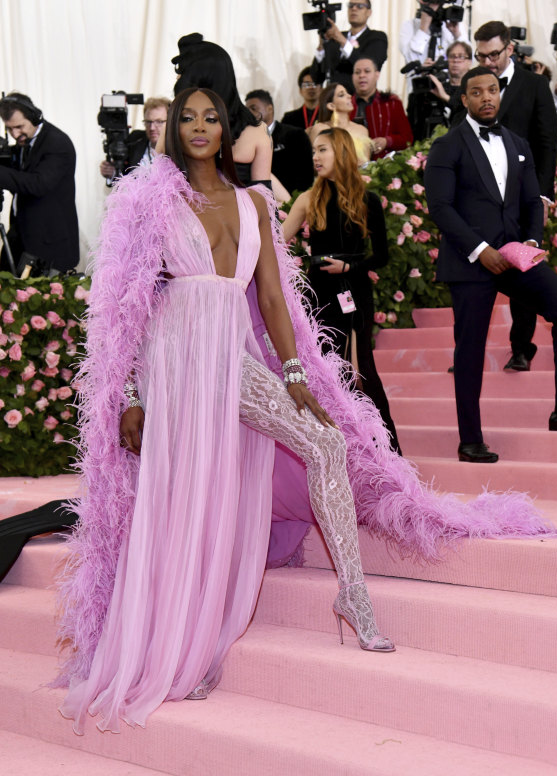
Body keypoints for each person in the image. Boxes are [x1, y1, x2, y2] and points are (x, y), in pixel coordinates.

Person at [56, 87, 394, 735]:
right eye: (189, 118)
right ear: (174, 130)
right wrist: (129, 396)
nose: (201, 127)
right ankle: (181, 640)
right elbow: (124, 307)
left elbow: (270, 298)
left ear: (230, 128)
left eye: (212, 117)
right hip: (172, 371)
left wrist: (295, 374)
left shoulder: (254, 203)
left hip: (232, 364)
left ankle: (354, 596)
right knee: (185, 502)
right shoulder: (151, 204)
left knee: (324, 444)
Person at [425, 67, 557, 464]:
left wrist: (530, 242)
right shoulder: (448, 146)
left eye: (492, 90)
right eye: (476, 92)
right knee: (470, 349)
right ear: (464, 100)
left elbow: (533, 201)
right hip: (470, 261)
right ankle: (470, 440)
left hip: (514, 255)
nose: (486, 97)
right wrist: (480, 249)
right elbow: (440, 208)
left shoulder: (518, 143)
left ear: (500, 93)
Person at [283, 127, 402, 455]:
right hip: (318, 292)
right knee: (326, 368)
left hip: (354, 289)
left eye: (322, 150)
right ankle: (341, 449)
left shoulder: (368, 199)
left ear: (341, 152)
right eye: (314, 151)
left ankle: (386, 450)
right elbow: (278, 242)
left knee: (362, 366)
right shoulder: (309, 198)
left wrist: (349, 267)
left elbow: (382, 255)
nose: (315, 157)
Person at [474, 21, 557, 373]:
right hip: (483, 196)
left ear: (510, 48)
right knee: (477, 270)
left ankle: (522, 347)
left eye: (494, 53)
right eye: (481, 55)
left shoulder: (535, 84)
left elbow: (547, 142)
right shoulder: (473, 86)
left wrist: (543, 194)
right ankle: (470, 352)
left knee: (522, 265)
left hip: (524, 195)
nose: (488, 61)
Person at [171, 34, 272, 188]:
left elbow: (264, 199)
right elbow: (159, 189)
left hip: (243, 211)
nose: (178, 79)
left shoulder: (258, 131)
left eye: (182, 73)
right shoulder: (258, 131)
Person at [0, 92, 78, 275]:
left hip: (49, 246)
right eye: (9, 129)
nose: (15, 134)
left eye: (19, 127)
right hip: (21, 239)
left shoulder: (57, 143)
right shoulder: (25, 141)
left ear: (34, 117)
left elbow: (38, 184)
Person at [245, 89, 314, 196]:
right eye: (246, 110)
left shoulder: (295, 134)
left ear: (270, 108)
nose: (249, 113)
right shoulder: (245, 139)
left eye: (253, 108)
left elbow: (306, 173)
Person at [311, 1, 388, 94]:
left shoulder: (377, 37)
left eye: (359, 6)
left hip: (360, 100)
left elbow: (369, 66)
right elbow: (316, 78)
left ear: (369, 12)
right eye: (351, 6)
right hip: (334, 102)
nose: (354, 9)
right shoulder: (335, 38)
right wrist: (321, 47)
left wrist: (341, 40)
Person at [350, 56, 413, 159]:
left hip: (384, 166)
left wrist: (386, 141)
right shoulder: (345, 105)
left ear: (377, 75)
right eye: (357, 72)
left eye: (367, 71)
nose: (362, 75)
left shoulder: (392, 103)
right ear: (353, 77)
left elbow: (407, 139)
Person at [399, 1, 469, 90]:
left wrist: (456, 34)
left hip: (449, 94)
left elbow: (469, 60)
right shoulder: (409, 26)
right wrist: (423, 29)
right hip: (420, 92)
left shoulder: (454, 25)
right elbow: (411, 59)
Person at [99, 97, 171, 181]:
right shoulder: (135, 140)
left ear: (170, 122)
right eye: (148, 122)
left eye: (159, 122)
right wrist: (112, 173)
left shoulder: (179, 149)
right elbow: (123, 175)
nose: (152, 128)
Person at [309, 82, 371, 165]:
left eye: (347, 93)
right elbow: (317, 162)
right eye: (341, 95)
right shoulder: (320, 129)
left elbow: (366, 164)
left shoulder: (362, 130)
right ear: (331, 106)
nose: (349, 96)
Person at [428, 40, 473, 125]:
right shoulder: (439, 87)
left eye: (461, 57)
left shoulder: (472, 88)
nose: (455, 61)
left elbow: (466, 111)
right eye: (452, 56)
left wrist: (445, 97)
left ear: (469, 62)